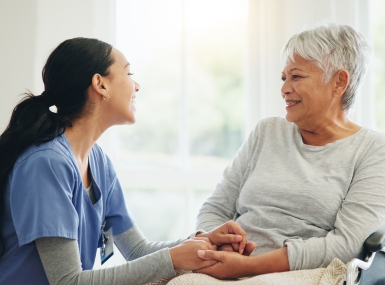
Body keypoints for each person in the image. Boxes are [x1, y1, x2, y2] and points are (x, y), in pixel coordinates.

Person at [0, 37, 250, 285]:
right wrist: (175, 259)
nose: (137, 85)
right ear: (100, 84)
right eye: (129, 73)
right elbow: (68, 281)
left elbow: (138, 250)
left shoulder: (99, 163)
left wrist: (203, 242)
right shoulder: (47, 164)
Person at [194, 21, 385, 279]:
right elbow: (215, 208)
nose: (284, 89)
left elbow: (346, 243)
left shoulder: (373, 151)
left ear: (339, 82)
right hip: (227, 266)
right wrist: (215, 241)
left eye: (296, 77)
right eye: (284, 78)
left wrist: (248, 266)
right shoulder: (266, 133)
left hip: (304, 273)